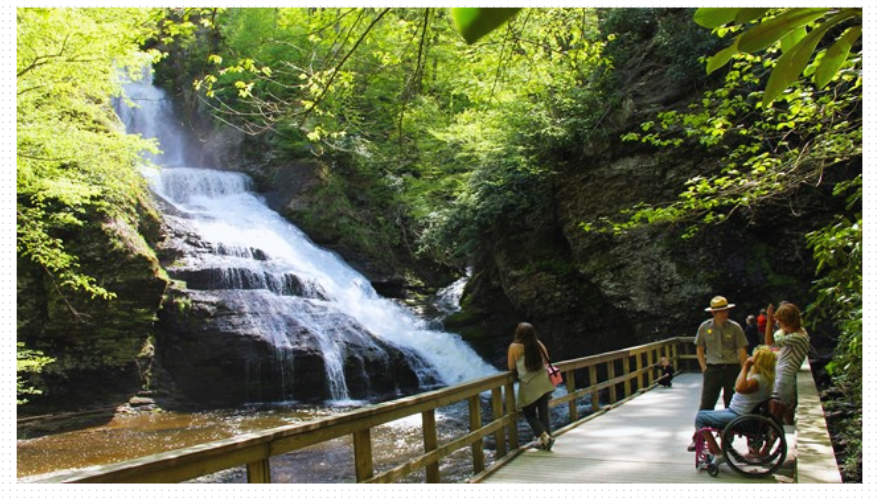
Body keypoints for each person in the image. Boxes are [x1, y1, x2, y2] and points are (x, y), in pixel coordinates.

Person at [688, 346, 777, 465]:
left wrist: (745, 366)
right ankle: (717, 450)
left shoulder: (757, 380)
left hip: (740, 417)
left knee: (700, 418)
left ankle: (718, 453)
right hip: (741, 413)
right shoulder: (766, 378)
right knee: (704, 414)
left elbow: (738, 387)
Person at [508, 322, 556, 451]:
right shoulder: (538, 344)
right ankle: (546, 441)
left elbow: (511, 367)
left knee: (529, 413)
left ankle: (545, 437)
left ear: (518, 333)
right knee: (543, 411)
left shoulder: (514, 347)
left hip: (529, 383)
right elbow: (547, 360)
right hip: (544, 381)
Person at [695, 296, 749, 411]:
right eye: (721, 312)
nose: (724, 314)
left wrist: (744, 370)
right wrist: (704, 367)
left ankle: (730, 428)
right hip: (713, 369)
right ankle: (703, 428)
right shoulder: (704, 327)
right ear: (714, 313)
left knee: (732, 402)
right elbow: (699, 348)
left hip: (732, 368)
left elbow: (741, 349)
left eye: (726, 310)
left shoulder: (735, 327)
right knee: (707, 401)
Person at [765, 302, 810, 424]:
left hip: (784, 380)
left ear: (786, 321)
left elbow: (770, 343)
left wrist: (769, 322)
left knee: (774, 417)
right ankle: (779, 442)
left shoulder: (798, 337)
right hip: (782, 378)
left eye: (779, 320)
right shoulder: (798, 333)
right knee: (776, 418)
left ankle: (773, 441)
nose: (778, 323)